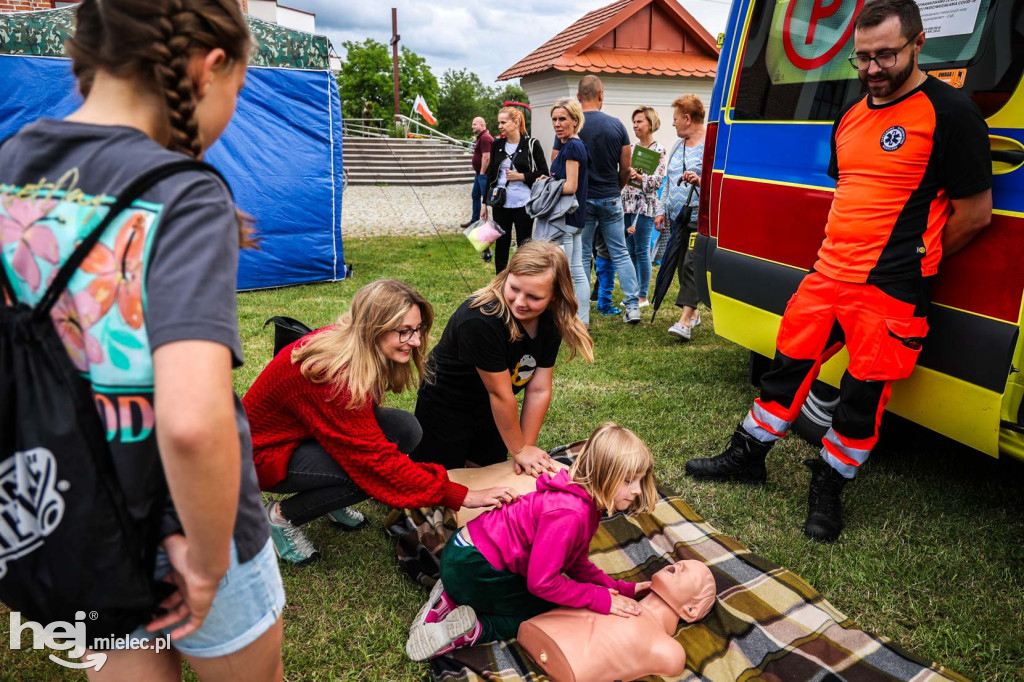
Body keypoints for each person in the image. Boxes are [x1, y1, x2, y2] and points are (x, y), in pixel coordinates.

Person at [0, 0, 285, 677]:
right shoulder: (184, 194)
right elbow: (191, 424)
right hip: (188, 519)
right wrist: (210, 558)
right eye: (239, 90)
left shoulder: (10, 161)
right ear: (209, 67)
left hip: (76, 512)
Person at [685, 0, 992, 542]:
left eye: (886, 57)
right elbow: (851, 196)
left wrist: (913, 262)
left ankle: (828, 485)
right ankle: (748, 456)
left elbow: (974, 214)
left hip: (890, 290)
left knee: (860, 402)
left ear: (919, 46)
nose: (873, 70)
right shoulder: (851, 115)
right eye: (863, 59)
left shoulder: (952, 114)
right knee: (783, 374)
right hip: (826, 277)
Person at [244, 279, 521, 565]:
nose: (415, 341)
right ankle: (281, 517)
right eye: (404, 332)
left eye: (418, 330)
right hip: (260, 456)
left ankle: (328, 501)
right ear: (373, 328)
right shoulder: (334, 375)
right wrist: (463, 495)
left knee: (404, 429)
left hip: (305, 435)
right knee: (367, 476)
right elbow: (377, 463)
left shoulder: (358, 346)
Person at [405, 422, 658, 660]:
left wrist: (619, 588)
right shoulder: (572, 514)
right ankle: (476, 629)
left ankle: (448, 599)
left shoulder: (583, 502)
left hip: (464, 553)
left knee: (565, 590)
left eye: (639, 479)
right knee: (547, 606)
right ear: (603, 474)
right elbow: (542, 584)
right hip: (472, 567)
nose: (637, 490)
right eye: (628, 480)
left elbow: (575, 563)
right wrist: (597, 598)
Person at [412, 241, 594, 472]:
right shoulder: (480, 320)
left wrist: (525, 448)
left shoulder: (551, 321)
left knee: (491, 474)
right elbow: (499, 393)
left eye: (534, 297)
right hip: (447, 406)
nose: (520, 302)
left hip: (492, 410)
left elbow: (538, 390)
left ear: (555, 296)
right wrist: (518, 450)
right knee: (431, 483)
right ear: (506, 276)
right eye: (514, 288)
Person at [576, 74, 643, 325]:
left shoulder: (573, 126)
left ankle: (581, 312)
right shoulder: (617, 125)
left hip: (583, 200)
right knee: (620, 252)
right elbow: (626, 168)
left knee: (583, 255)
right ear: (601, 95)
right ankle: (633, 306)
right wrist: (615, 188)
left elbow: (556, 162)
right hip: (610, 198)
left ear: (579, 97)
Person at [654, 95, 705, 341]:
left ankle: (685, 321)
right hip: (678, 218)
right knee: (681, 262)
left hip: (699, 217)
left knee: (691, 265)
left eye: (675, 119)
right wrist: (661, 210)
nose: (673, 124)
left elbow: (718, 183)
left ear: (687, 118)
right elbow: (667, 183)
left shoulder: (710, 145)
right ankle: (693, 313)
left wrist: (699, 181)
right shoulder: (677, 145)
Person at [480, 107, 549, 274]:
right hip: (500, 202)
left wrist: (521, 176)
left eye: (503, 122)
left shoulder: (531, 144)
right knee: (501, 243)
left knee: (524, 243)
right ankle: (500, 281)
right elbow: (490, 176)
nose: (500, 126)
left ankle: (523, 277)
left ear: (516, 122)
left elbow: (544, 172)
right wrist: (484, 203)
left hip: (523, 202)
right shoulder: (497, 145)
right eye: (499, 123)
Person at [547, 98, 591, 327]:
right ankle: (580, 321)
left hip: (566, 218)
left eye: (562, 118)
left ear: (575, 121)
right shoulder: (573, 145)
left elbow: (571, 185)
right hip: (574, 218)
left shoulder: (573, 146)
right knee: (576, 271)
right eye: (554, 119)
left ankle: (572, 320)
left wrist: (545, 186)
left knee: (565, 273)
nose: (557, 123)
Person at [623, 106, 667, 309]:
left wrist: (638, 176)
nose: (635, 125)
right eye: (634, 122)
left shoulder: (659, 150)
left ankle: (643, 295)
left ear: (650, 124)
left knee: (641, 251)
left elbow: (657, 182)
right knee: (629, 250)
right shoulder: (630, 148)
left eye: (639, 121)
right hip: (627, 203)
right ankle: (632, 293)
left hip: (645, 206)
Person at [461, 116, 493, 230]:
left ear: (482, 125)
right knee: (475, 196)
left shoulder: (485, 138)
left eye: (475, 124)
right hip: (479, 174)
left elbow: (487, 157)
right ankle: (475, 220)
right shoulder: (481, 137)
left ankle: (485, 225)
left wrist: (482, 172)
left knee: (485, 200)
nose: (472, 126)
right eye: (473, 124)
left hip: (483, 174)